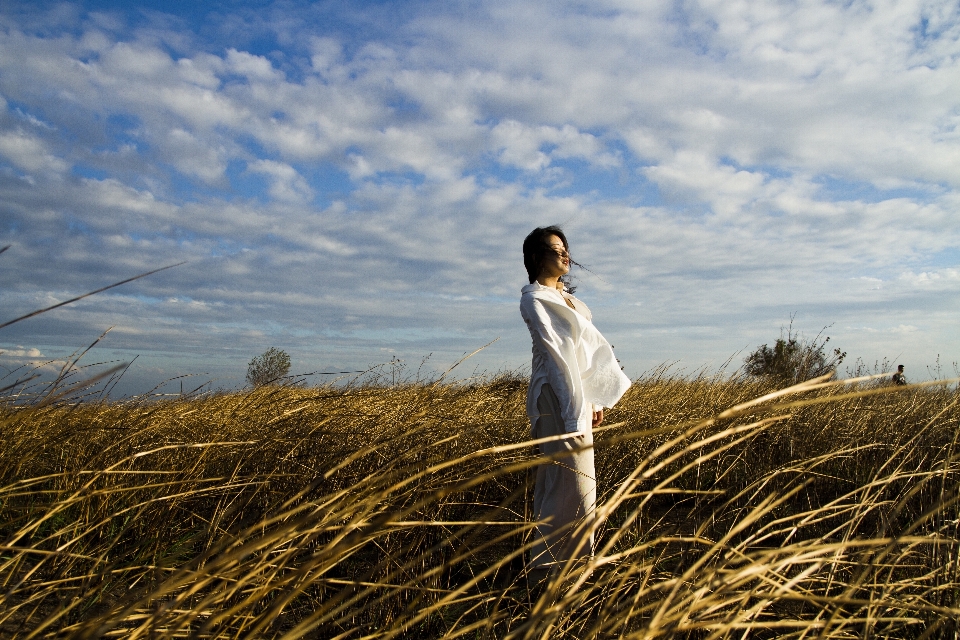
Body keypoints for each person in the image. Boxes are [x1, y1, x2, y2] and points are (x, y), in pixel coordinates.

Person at [519, 226, 632, 583]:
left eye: (566, 248)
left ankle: (576, 564)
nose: (565, 255)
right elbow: (557, 361)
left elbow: (584, 356)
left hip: (577, 397)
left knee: (581, 482)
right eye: (556, 250)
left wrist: (595, 400)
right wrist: (572, 417)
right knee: (563, 480)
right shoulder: (534, 299)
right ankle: (546, 569)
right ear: (537, 257)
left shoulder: (573, 302)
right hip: (555, 397)